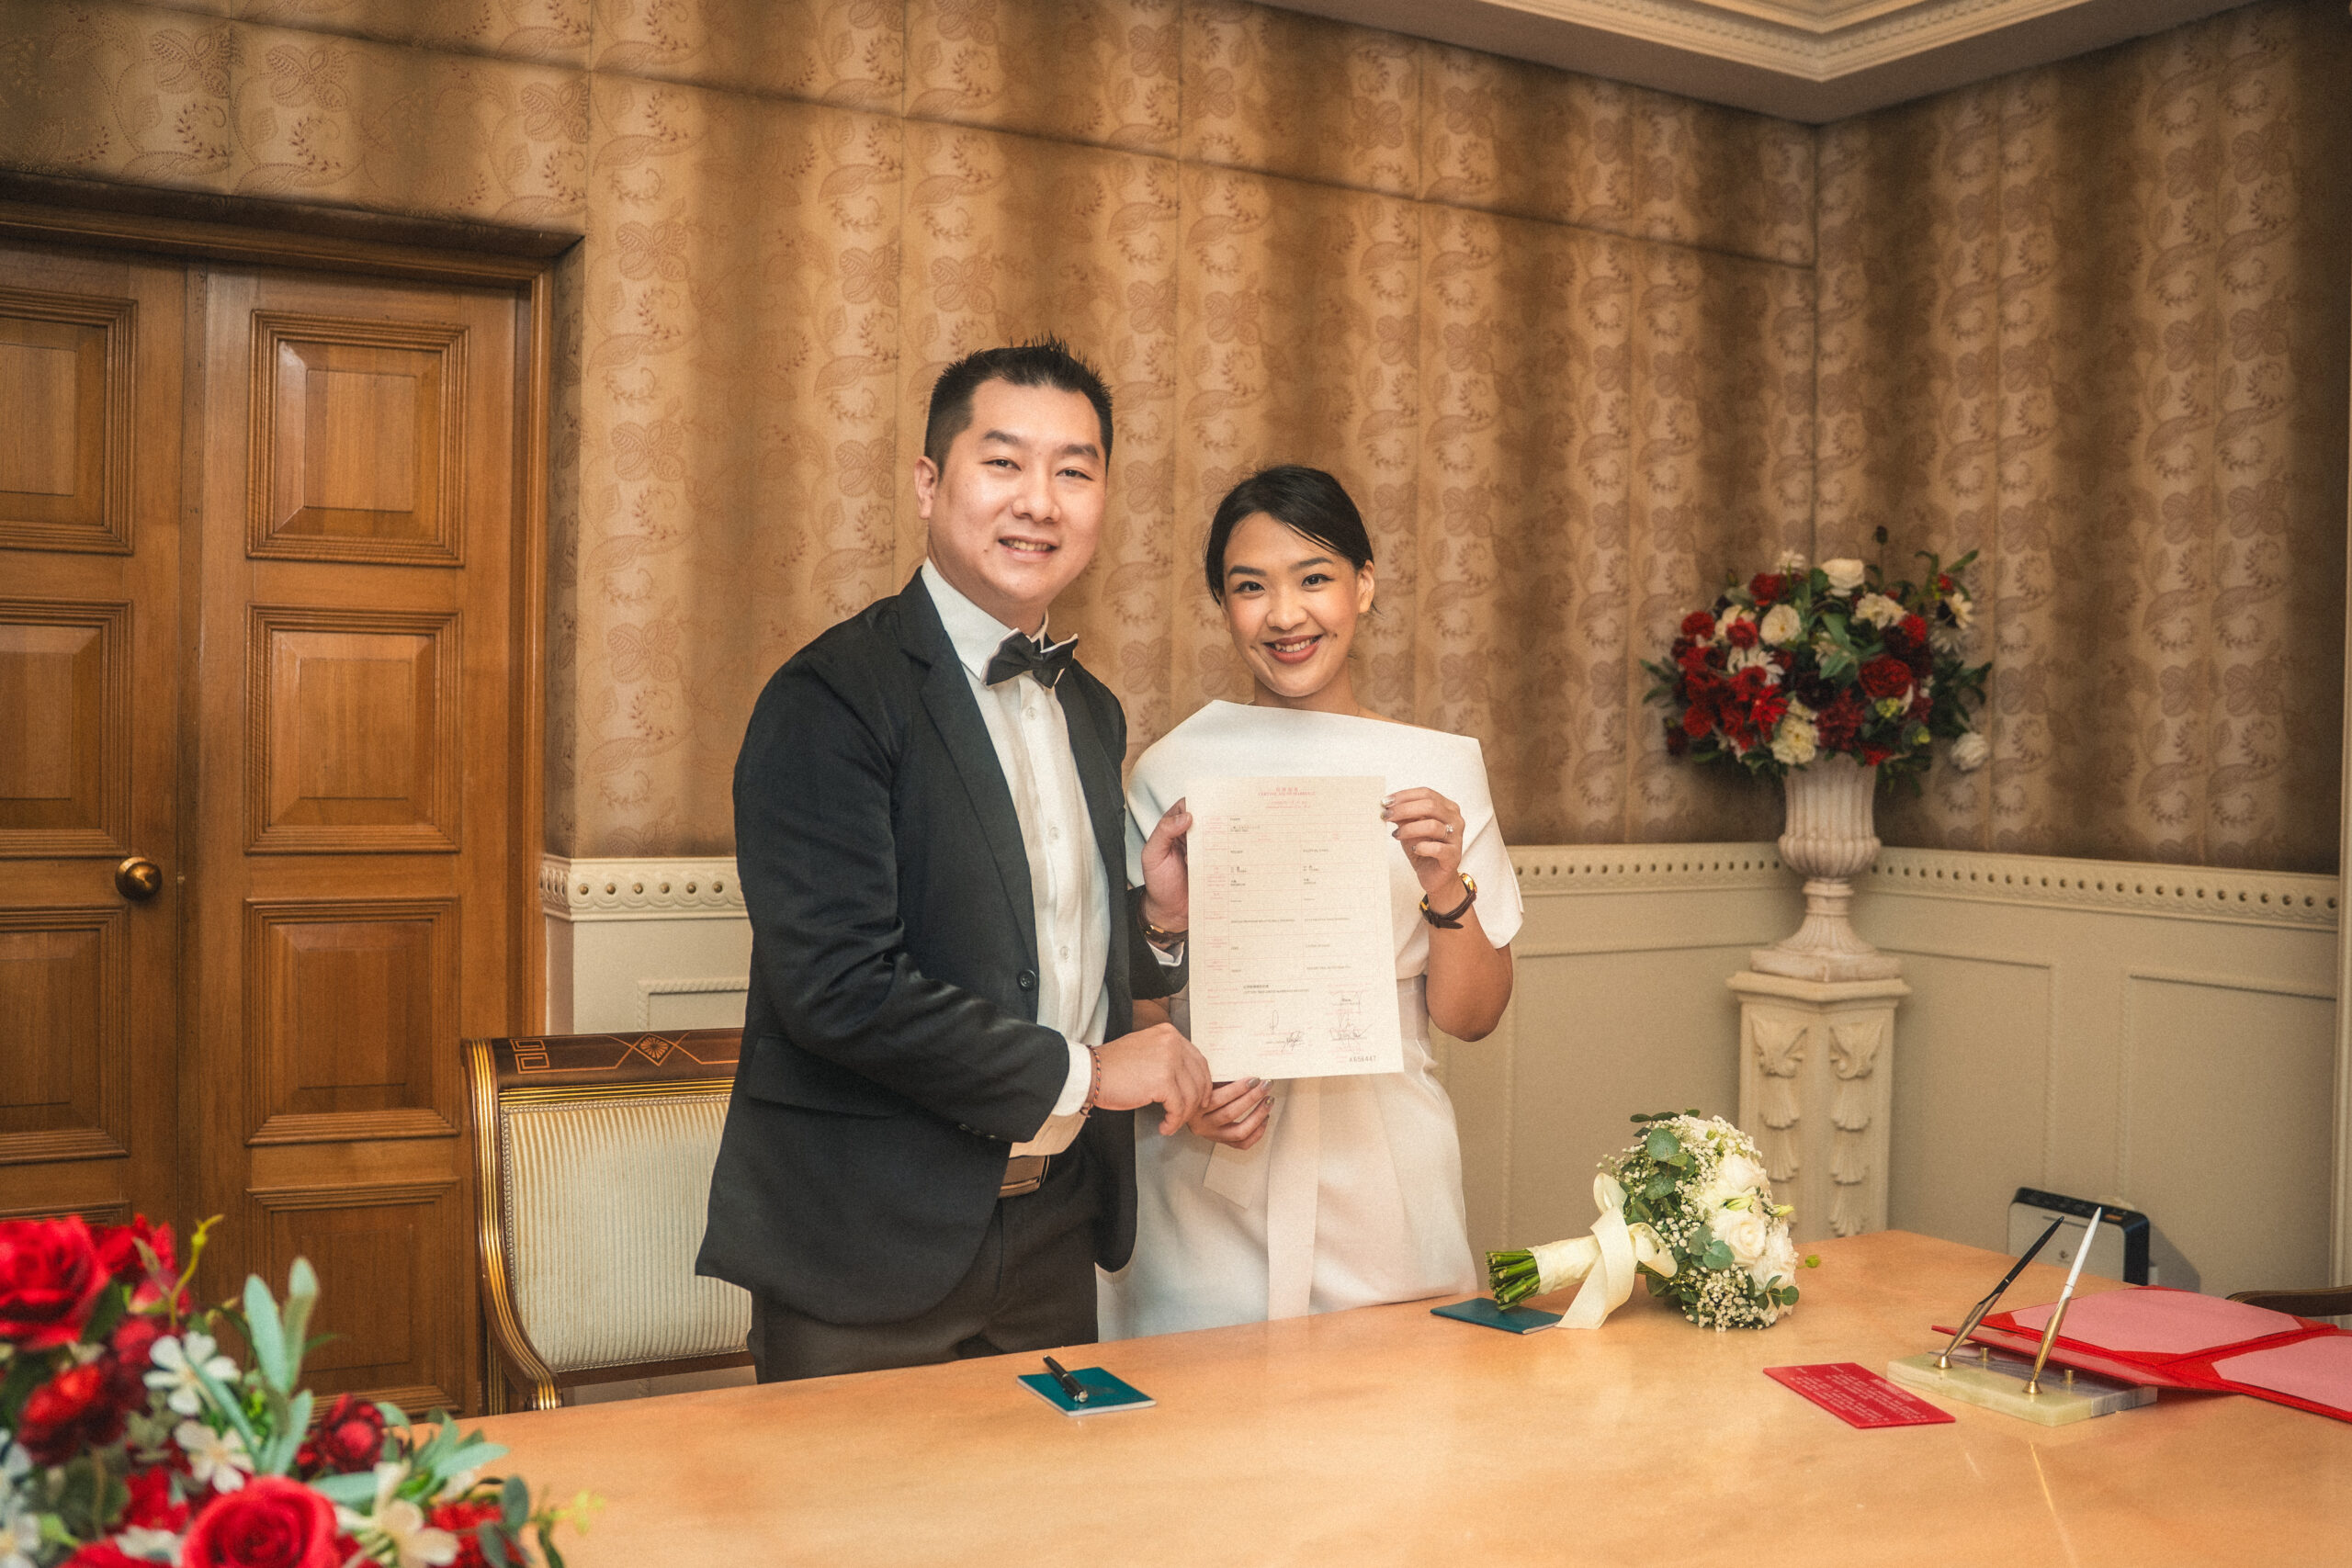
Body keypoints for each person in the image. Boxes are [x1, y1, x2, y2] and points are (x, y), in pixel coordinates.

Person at [697, 339, 1213, 1382]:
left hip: (1054, 1234)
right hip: (866, 1246)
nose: (1039, 501)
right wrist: (1090, 1073)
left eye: (1074, 471)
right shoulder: (831, 697)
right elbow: (838, 989)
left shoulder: (1091, 710)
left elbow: (1029, 947)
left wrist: (1154, 922)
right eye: (1004, 462)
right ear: (929, 484)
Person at [1099, 465, 1521, 1337]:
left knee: (1390, 1403)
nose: (1285, 615)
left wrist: (1445, 886)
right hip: (1209, 1168)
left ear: (1364, 584)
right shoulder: (1174, 769)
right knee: (1200, 1400)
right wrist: (1184, 1093)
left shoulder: (1441, 767)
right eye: (1251, 587)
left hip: (1385, 1173)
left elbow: (1472, 1016)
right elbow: (1134, 1000)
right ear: (1223, 605)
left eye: (1314, 578)